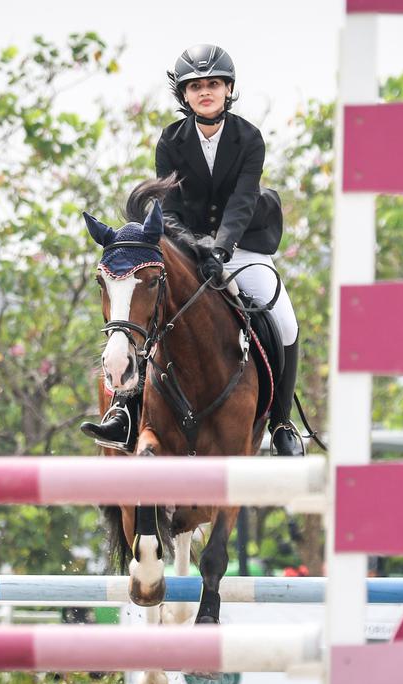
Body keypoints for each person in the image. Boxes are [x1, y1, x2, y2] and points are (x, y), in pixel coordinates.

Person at [82, 43, 303, 457]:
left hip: (242, 247)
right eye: (196, 86)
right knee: (148, 314)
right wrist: (198, 250)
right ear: (184, 95)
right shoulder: (170, 141)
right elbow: (169, 208)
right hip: (187, 248)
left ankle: (281, 424)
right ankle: (125, 411)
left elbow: (242, 202)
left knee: (285, 323)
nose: (205, 92)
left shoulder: (249, 138)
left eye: (213, 84)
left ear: (227, 89)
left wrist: (220, 250)